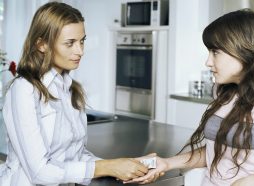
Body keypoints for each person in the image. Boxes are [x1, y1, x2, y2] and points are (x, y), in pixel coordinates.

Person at [126, 9, 254, 186]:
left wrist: (249, 182)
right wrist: (168, 162)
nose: (208, 62)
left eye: (215, 52)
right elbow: (215, 151)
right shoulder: (223, 91)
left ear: (244, 50)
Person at [0, 2, 148, 185]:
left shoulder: (70, 89)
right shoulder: (24, 90)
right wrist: (108, 167)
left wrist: (125, 166)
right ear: (42, 44)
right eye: (70, 43)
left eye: (82, 41)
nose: (80, 51)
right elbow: (39, 172)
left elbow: (76, 157)